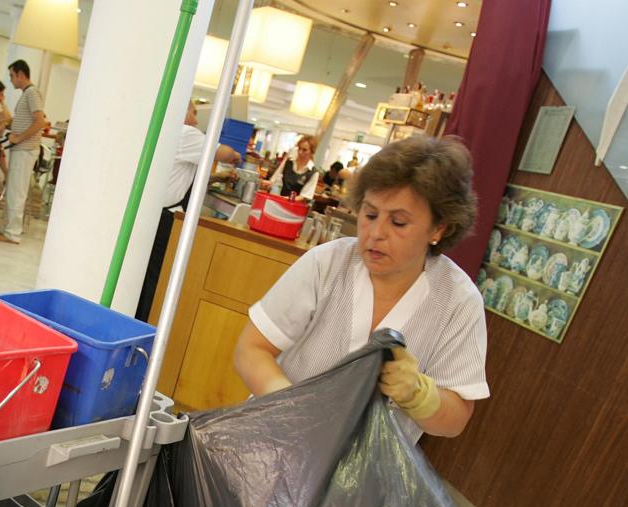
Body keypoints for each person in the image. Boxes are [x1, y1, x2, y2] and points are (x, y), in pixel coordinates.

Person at [233, 135, 487, 442]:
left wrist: (420, 396)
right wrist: (295, 413)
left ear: (438, 228)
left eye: (399, 222)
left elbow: (455, 420)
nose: (376, 233)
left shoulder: (458, 301)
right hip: (275, 439)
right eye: (369, 214)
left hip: (363, 476)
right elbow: (251, 350)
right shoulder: (327, 264)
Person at [134, 99, 241, 321]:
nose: (196, 119)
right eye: (193, 112)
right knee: (154, 279)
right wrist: (237, 156)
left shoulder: (171, 133)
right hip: (165, 219)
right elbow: (225, 153)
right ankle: (143, 324)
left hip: (154, 214)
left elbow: (182, 174)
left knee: (146, 276)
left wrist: (217, 177)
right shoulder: (185, 133)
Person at [0, 59, 46, 245]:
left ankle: (13, 233)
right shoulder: (27, 94)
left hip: (25, 149)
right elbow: (27, 119)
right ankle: (9, 229)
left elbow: (40, 122)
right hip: (21, 149)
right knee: (13, 190)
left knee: (17, 192)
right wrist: (7, 124)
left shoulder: (32, 93)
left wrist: (19, 137)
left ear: (21, 74)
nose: (11, 80)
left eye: (12, 76)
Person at [266, 134, 319, 199]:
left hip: (293, 206)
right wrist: (269, 183)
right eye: (299, 148)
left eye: (304, 150)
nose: (300, 152)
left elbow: (304, 196)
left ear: (312, 152)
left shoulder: (313, 173)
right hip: (277, 199)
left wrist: (287, 199)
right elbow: (276, 177)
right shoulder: (289, 162)